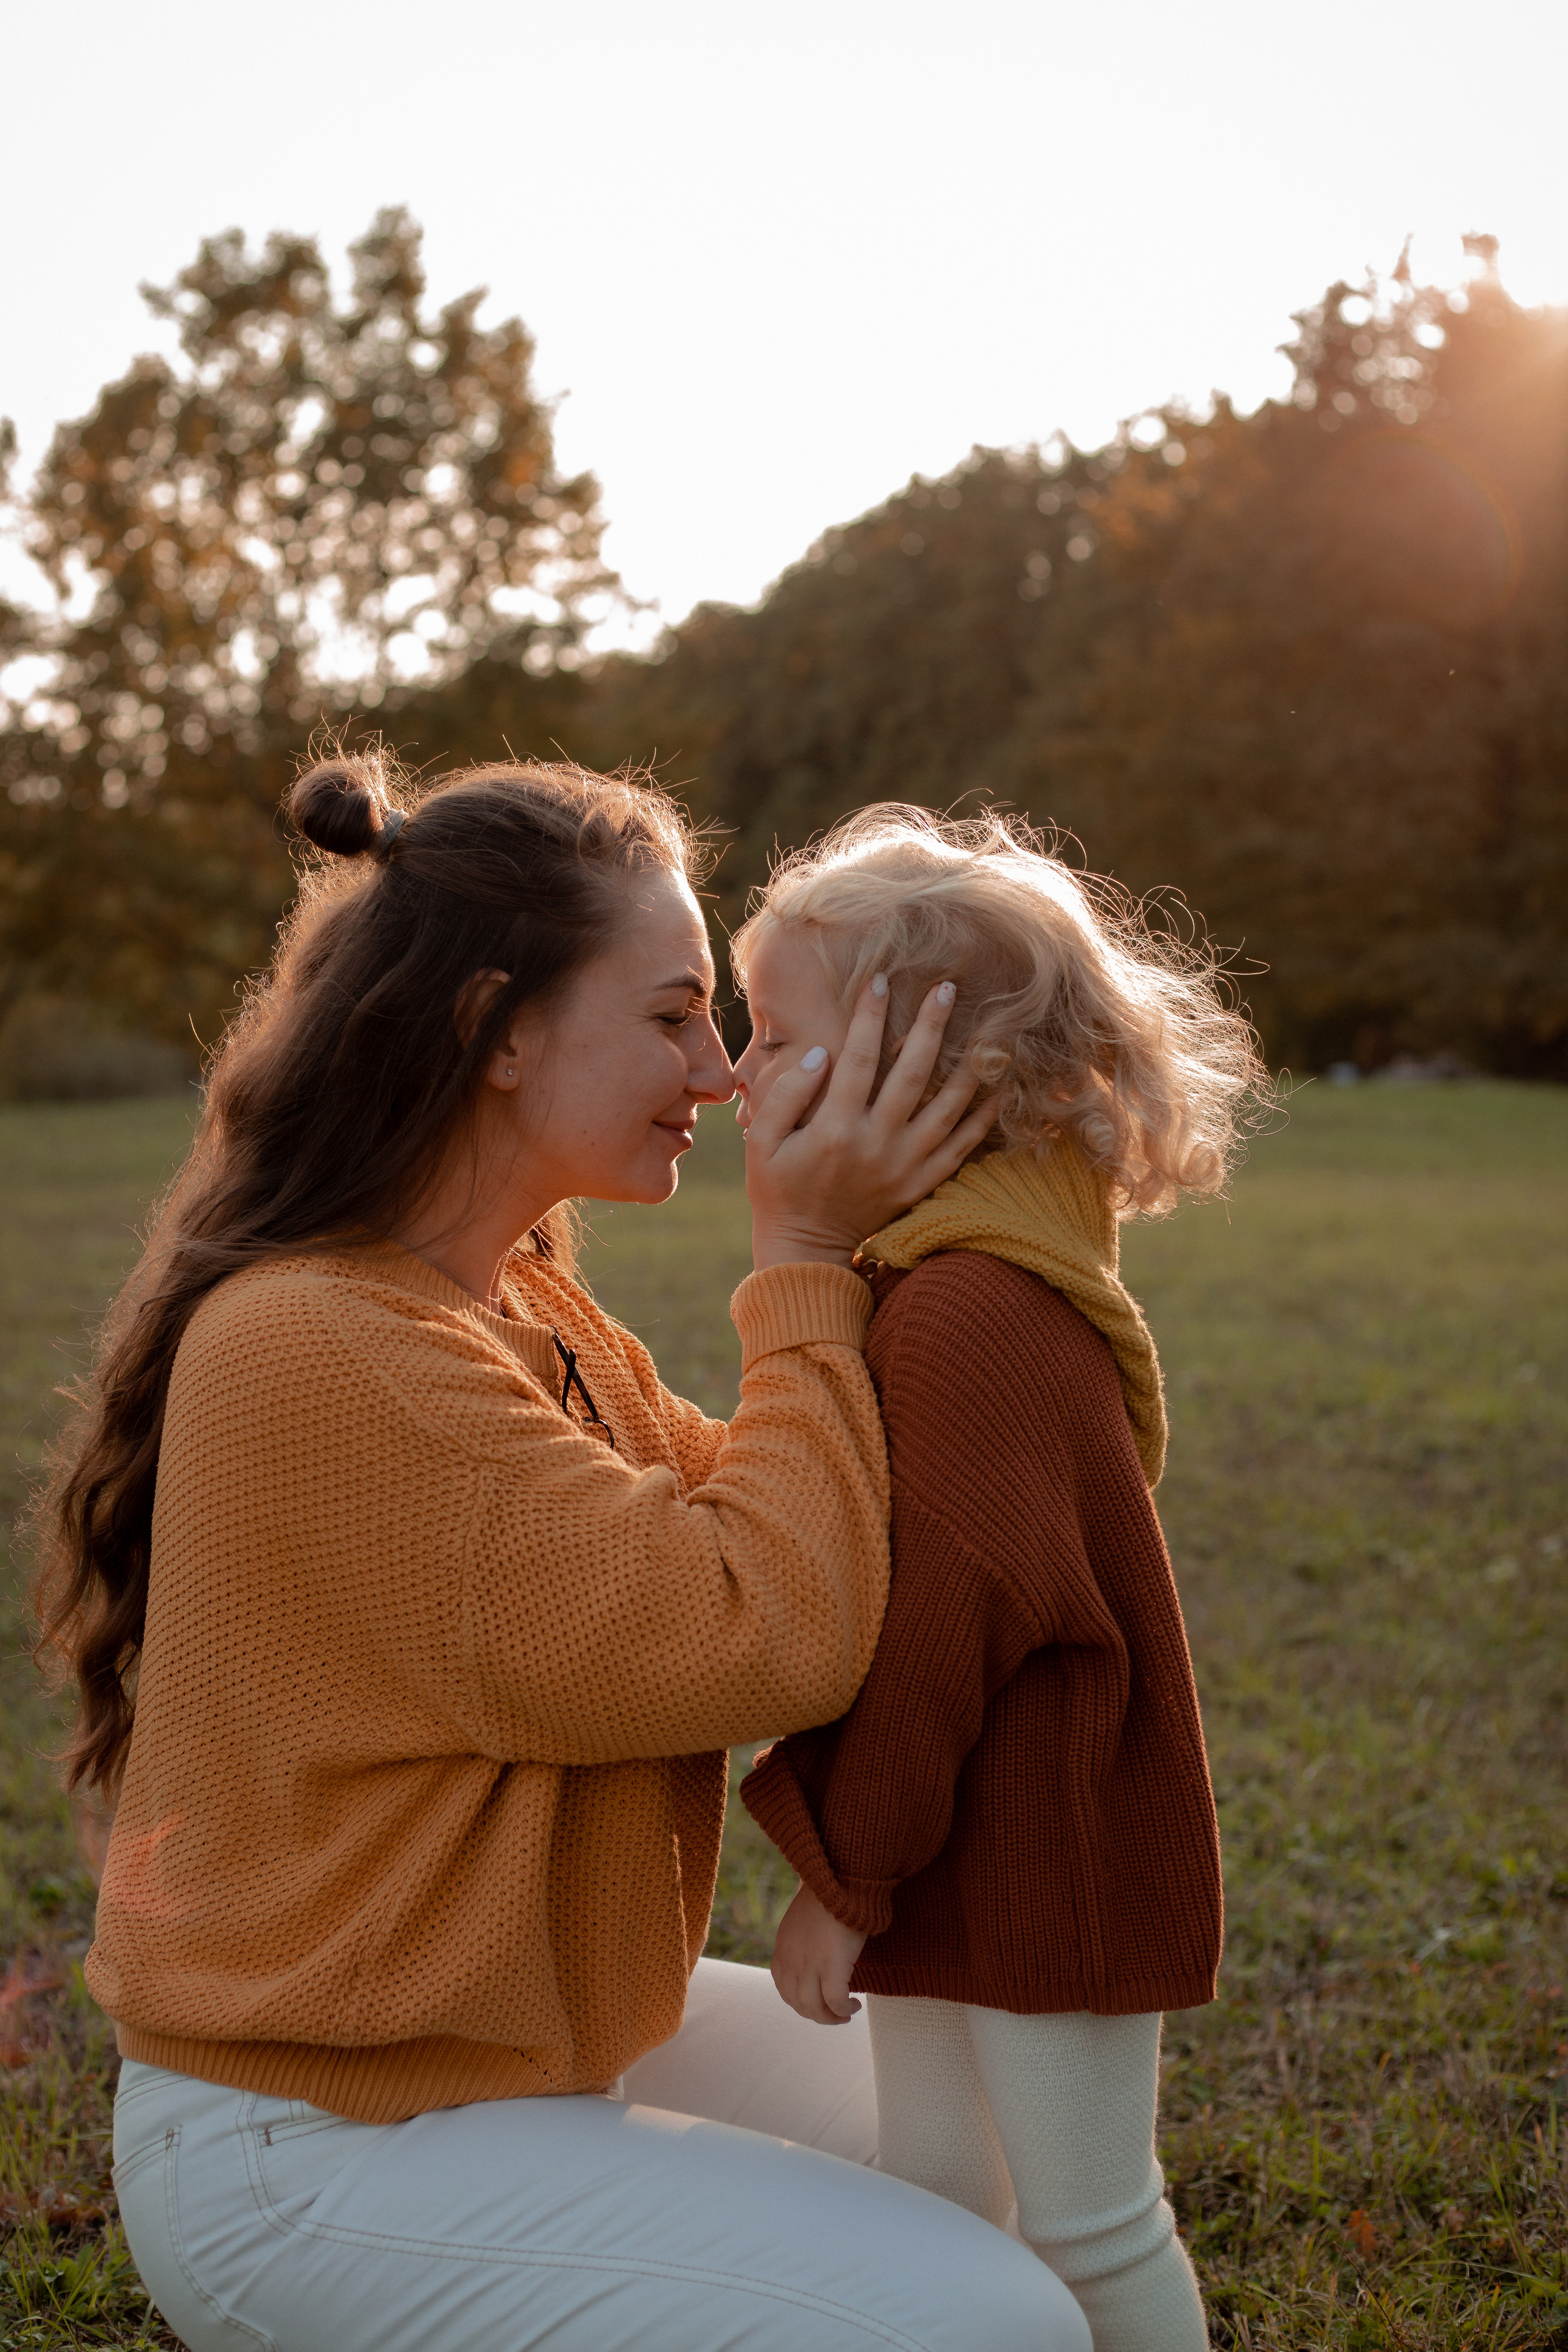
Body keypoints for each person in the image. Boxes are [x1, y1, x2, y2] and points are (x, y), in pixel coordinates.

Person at [34, 757, 1095, 2352]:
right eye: (674, 1015)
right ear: (499, 1030)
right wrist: (805, 1253)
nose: (721, 1074)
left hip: (517, 2046)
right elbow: (765, 1624)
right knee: (991, 2326)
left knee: (998, 2119)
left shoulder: (514, 1303)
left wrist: (971, 1238)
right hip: (319, 2142)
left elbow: (818, 1523)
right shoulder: (322, 1347)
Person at [734, 805, 1268, 2352]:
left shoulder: (972, 1310)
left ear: (926, 1070)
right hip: (960, 1836)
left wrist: (844, 1881)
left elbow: (935, 1639)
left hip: (1046, 1849)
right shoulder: (943, 1277)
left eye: (777, 1037)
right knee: (933, 2189)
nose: (739, 1074)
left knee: (1089, 2223)